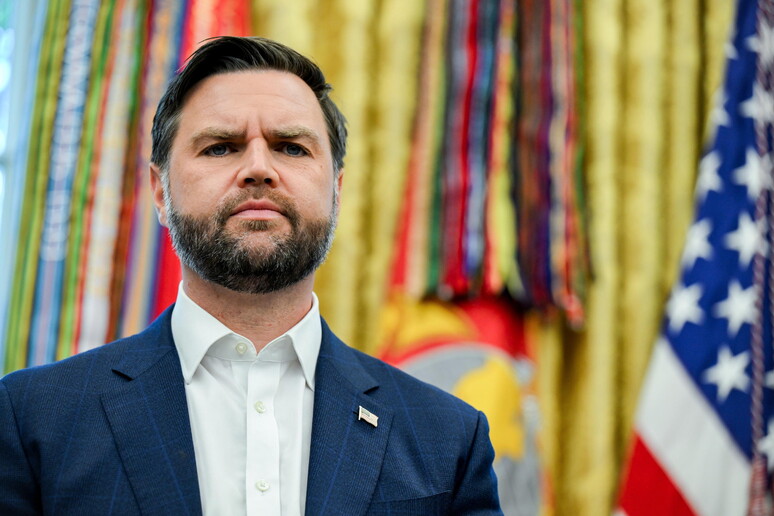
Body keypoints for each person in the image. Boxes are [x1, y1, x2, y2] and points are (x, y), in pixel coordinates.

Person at [0, 36, 502, 515]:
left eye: (291, 147)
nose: (259, 168)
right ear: (159, 192)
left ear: (337, 191)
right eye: (220, 147)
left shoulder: (448, 438)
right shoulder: (32, 421)